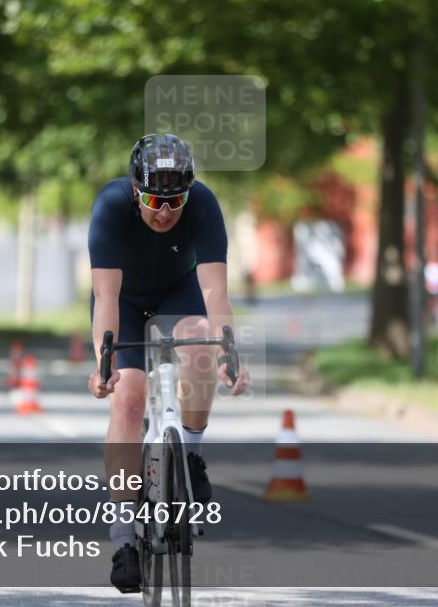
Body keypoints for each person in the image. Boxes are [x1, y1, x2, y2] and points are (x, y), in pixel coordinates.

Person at [86, 133, 250, 593]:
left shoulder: (203, 205)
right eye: (155, 199)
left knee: (200, 342)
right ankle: (123, 539)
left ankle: (191, 456)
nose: (164, 210)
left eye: (175, 200)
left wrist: (229, 351)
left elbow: (216, 292)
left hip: (180, 293)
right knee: (128, 401)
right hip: (126, 301)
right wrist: (105, 362)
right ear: (136, 191)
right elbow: (106, 295)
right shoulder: (111, 206)